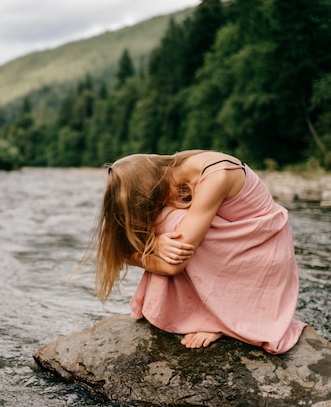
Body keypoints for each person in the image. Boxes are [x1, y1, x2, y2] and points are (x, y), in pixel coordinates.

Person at [87, 149, 306, 354]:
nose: (157, 208)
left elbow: (172, 265)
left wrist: (143, 249)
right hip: (242, 250)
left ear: (152, 189)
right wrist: (154, 244)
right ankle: (204, 311)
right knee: (172, 220)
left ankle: (219, 319)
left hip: (260, 258)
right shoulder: (178, 168)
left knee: (171, 220)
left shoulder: (216, 177)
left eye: (152, 204)